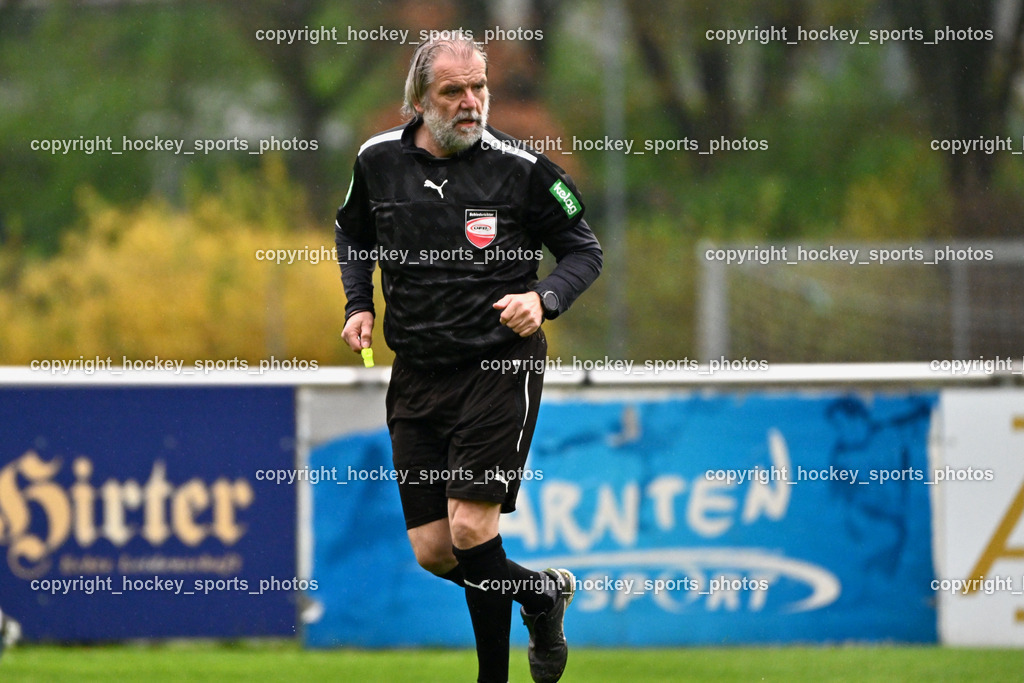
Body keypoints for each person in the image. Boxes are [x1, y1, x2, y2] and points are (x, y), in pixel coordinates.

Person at [335, 31, 602, 683]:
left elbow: (583, 251)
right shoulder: (377, 162)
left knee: (472, 531)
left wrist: (543, 299)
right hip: (417, 374)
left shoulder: (524, 170)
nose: (470, 101)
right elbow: (351, 231)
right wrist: (356, 304)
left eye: (478, 87)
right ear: (419, 100)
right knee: (433, 550)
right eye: (453, 90)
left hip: (497, 369)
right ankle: (540, 595)